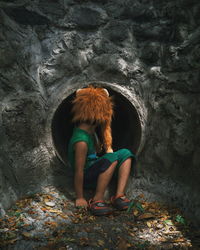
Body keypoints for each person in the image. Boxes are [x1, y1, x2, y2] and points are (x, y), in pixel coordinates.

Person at [67, 86, 135, 215]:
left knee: (125, 153)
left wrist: (97, 135)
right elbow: (79, 171)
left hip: (95, 169)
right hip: (87, 177)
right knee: (111, 158)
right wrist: (80, 197)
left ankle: (119, 196)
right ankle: (97, 200)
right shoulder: (81, 141)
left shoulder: (89, 133)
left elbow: (98, 150)